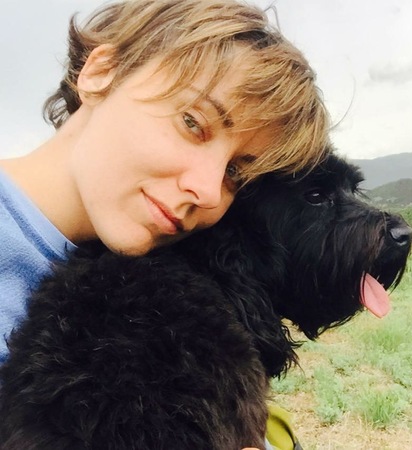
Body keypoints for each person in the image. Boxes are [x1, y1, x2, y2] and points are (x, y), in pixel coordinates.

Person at [0, 0, 329, 448]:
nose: (208, 191)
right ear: (101, 73)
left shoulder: (165, 279)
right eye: (193, 123)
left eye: (235, 173)